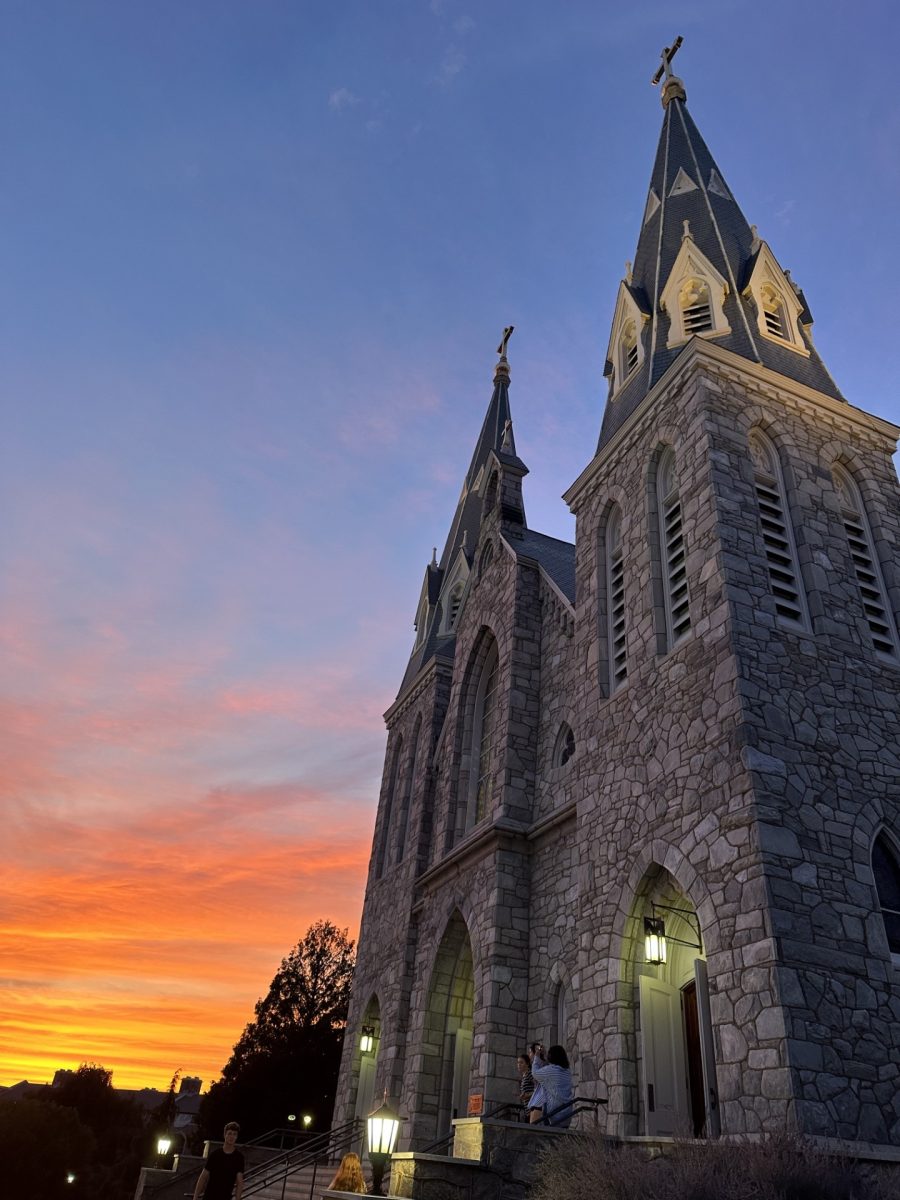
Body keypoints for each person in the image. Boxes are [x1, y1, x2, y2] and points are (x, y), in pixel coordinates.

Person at [193, 1121, 244, 1200]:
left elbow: (239, 1182)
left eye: (234, 1134)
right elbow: (203, 1177)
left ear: (237, 1137)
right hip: (209, 1197)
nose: (232, 1137)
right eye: (229, 1133)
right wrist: (195, 1197)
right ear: (225, 1135)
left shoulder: (239, 1158)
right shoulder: (215, 1155)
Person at [531, 1044, 574, 1128]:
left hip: (554, 1115)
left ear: (552, 1056)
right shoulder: (567, 1071)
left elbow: (535, 1073)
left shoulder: (551, 1070)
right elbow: (549, 1070)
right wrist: (544, 1055)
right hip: (566, 1114)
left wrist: (536, 1056)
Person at [517, 1051, 535, 1119]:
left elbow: (539, 1089)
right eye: (518, 1062)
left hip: (532, 1109)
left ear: (527, 1064)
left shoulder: (530, 1074)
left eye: (521, 1062)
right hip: (527, 1110)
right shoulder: (524, 1076)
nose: (519, 1064)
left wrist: (528, 1095)